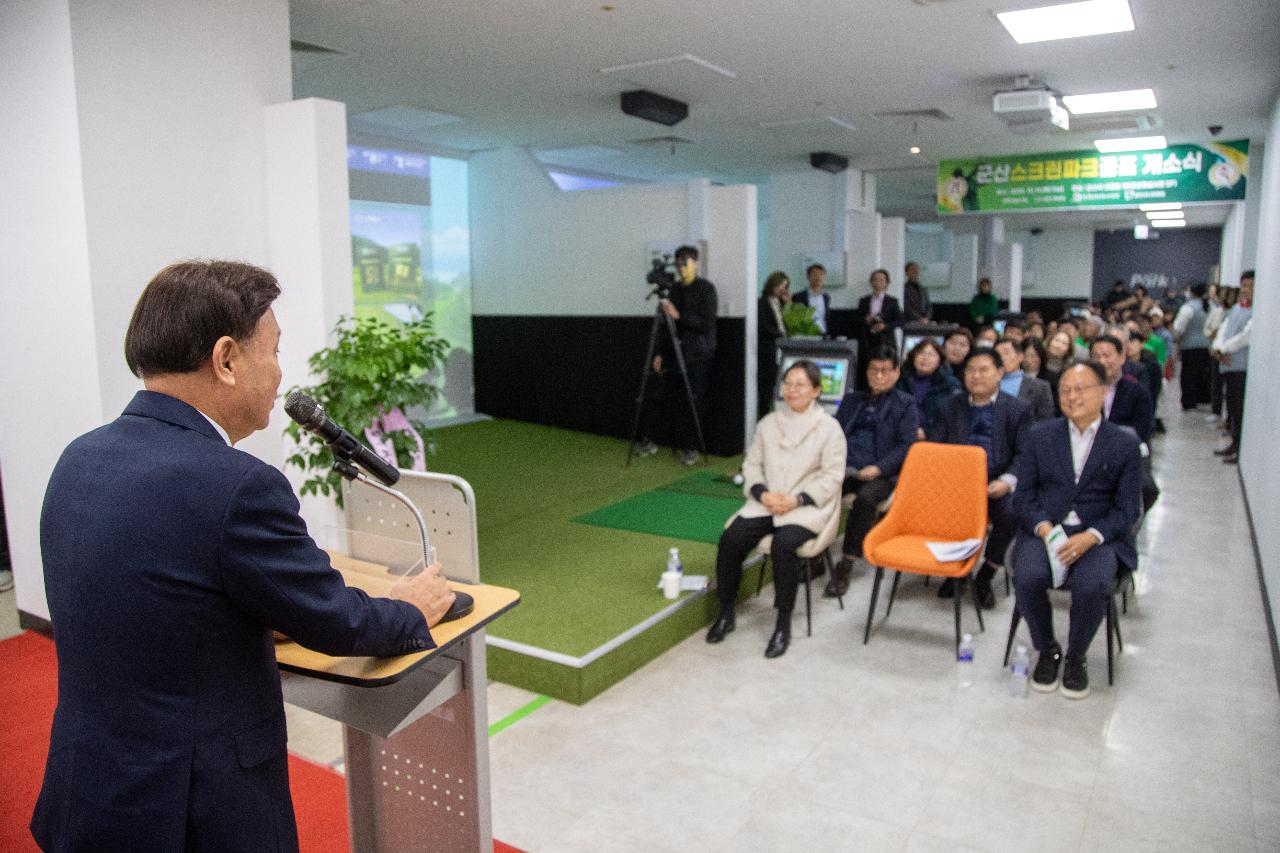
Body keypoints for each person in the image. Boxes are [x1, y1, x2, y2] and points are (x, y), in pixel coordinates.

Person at [32, 261, 457, 852]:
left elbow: (153, 595)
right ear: (227, 359)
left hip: (91, 794)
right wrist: (411, 608)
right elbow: (338, 620)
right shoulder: (236, 485)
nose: (282, 376)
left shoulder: (79, 457)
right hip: (193, 813)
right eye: (276, 350)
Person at [1012, 361, 1142, 700]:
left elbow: (1128, 508)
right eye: (1065, 390)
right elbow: (1024, 495)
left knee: (1093, 583)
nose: (1072, 396)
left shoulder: (1124, 443)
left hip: (1098, 534)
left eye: (1080, 389)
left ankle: (1076, 656)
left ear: (1102, 392)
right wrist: (1043, 527)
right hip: (1046, 530)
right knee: (1026, 576)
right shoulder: (1041, 436)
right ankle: (1048, 649)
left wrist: (1092, 536)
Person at [707, 360, 846, 658]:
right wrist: (762, 493)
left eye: (800, 385)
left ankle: (783, 624)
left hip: (805, 507)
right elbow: (752, 465)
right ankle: (726, 611)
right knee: (731, 539)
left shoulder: (829, 428)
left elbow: (833, 476)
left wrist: (797, 500)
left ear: (816, 391)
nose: (791, 390)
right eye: (788, 383)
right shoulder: (768, 423)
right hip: (766, 504)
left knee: (784, 546)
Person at [933, 348, 1032, 607]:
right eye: (970, 370)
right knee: (945, 510)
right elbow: (935, 449)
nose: (976, 376)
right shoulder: (949, 406)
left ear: (1000, 373)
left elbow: (1024, 454)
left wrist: (1007, 481)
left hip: (996, 481)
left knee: (1011, 513)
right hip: (957, 483)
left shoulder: (1018, 409)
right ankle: (958, 569)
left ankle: (986, 574)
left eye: (983, 370)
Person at [825, 346, 918, 598]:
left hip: (882, 472)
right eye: (874, 370)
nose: (878, 376)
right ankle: (813, 556)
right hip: (845, 467)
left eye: (885, 371)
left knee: (866, 499)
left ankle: (846, 563)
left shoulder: (905, 404)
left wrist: (879, 468)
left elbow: (906, 445)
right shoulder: (853, 400)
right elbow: (834, 434)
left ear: (896, 373)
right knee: (818, 490)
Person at [637, 244, 718, 465]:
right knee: (659, 395)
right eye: (679, 263)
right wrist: (660, 353)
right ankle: (651, 439)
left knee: (693, 400)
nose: (682, 268)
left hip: (698, 353)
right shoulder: (674, 289)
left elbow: (706, 323)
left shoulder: (706, 289)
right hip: (674, 350)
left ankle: (691, 447)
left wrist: (679, 315)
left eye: (686, 262)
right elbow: (666, 325)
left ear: (696, 263)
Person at [1212, 270, 1253, 464]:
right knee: (1232, 407)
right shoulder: (1237, 307)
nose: (1247, 290)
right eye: (1244, 285)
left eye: (1251, 286)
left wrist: (1225, 349)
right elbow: (1224, 329)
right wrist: (1219, 348)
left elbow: (1245, 337)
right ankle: (1234, 441)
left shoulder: (1256, 311)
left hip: (1240, 366)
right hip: (1228, 364)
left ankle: (1240, 447)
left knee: (1240, 408)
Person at [898, 338, 960, 440]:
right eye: (921, 353)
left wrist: (927, 432)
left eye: (931, 355)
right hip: (902, 435)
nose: (925, 358)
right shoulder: (900, 380)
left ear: (940, 359)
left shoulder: (950, 385)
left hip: (936, 439)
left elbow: (952, 418)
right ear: (913, 356)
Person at [1172, 282, 1212, 411]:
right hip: (1207, 345)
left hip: (1190, 346)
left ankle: (1189, 402)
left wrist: (1177, 339)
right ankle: (1203, 398)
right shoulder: (1210, 306)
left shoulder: (1188, 308)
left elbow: (1179, 328)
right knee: (1203, 374)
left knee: (1188, 375)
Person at [995, 338, 1054, 422]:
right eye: (997, 355)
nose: (1002, 358)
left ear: (1020, 356)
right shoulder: (986, 384)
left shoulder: (1041, 387)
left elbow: (1046, 423)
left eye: (1006, 353)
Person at [855, 269, 902, 373]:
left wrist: (885, 326)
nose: (878, 283)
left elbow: (900, 321)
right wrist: (865, 319)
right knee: (867, 368)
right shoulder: (864, 301)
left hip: (886, 341)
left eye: (881, 280)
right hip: (868, 341)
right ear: (871, 282)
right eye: (875, 280)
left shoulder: (892, 301)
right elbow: (856, 320)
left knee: (887, 368)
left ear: (887, 283)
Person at [757, 271, 790, 418]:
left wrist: (788, 304)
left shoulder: (781, 303)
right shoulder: (763, 303)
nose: (783, 290)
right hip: (768, 348)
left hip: (781, 348)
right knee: (767, 385)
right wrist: (780, 335)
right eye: (780, 286)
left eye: (785, 287)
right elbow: (764, 326)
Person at [1023, 337, 1060, 415]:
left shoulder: (1052, 379)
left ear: (1041, 356)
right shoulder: (1015, 376)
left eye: (1033, 356)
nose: (1029, 360)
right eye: (1025, 355)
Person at [793, 263, 830, 334]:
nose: (818, 277)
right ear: (808, 277)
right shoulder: (799, 296)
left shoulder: (826, 297)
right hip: (806, 335)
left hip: (824, 334)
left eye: (821, 274)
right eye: (815, 274)